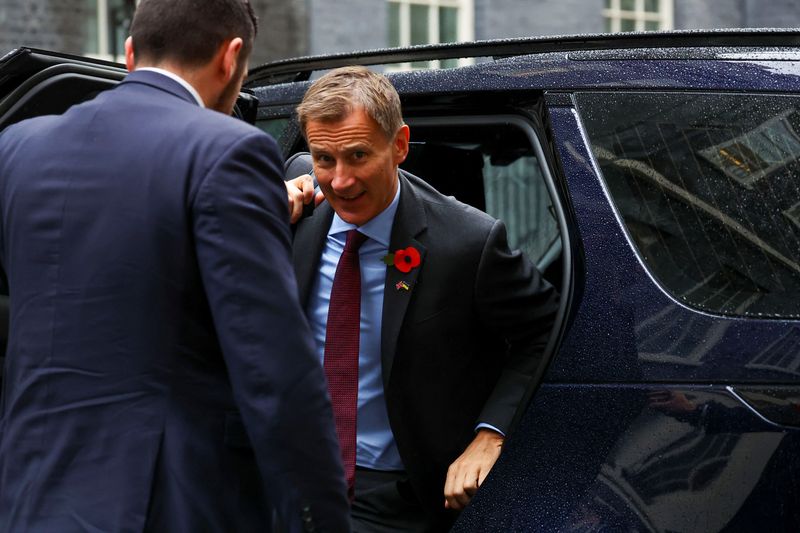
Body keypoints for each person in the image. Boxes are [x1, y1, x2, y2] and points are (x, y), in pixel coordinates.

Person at [0, 0, 350, 531]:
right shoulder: (230, 153)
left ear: (129, 52)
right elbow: (276, 375)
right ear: (231, 58)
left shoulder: (18, 147)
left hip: (28, 500)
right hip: (163, 507)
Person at [288, 66, 559, 531]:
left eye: (358, 155)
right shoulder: (296, 191)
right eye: (325, 158)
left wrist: (491, 435)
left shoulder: (468, 241)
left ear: (399, 145)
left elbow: (545, 330)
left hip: (389, 494)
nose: (341, 181)